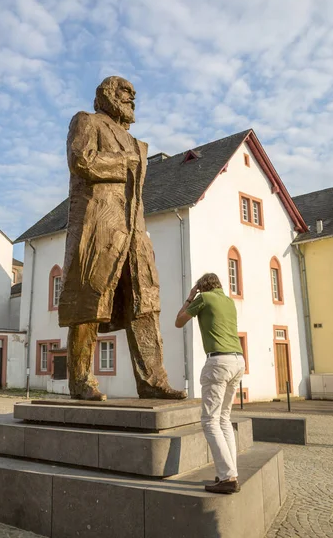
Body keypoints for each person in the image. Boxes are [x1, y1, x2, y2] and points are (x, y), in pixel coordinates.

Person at [58, 75, 186, 402]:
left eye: (133, 95)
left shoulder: (134, 141)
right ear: (109, 95)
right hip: (101, 225)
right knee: (91, 300)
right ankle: (82, 381)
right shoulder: (88, 122)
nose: (133, 99)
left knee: (146, 303)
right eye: (126, 94)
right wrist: (124, 163)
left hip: (134, 230)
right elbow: (81, 160)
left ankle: (153, 381)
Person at [175, 272, 245, 494]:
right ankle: (230, 472)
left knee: (209, 420)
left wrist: (190, 296)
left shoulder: (203, 298)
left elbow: (178, 322)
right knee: (224, 419)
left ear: (202, 287)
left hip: (218, 362)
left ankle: (227, 477)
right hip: (238, 360)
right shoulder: (229, 302)